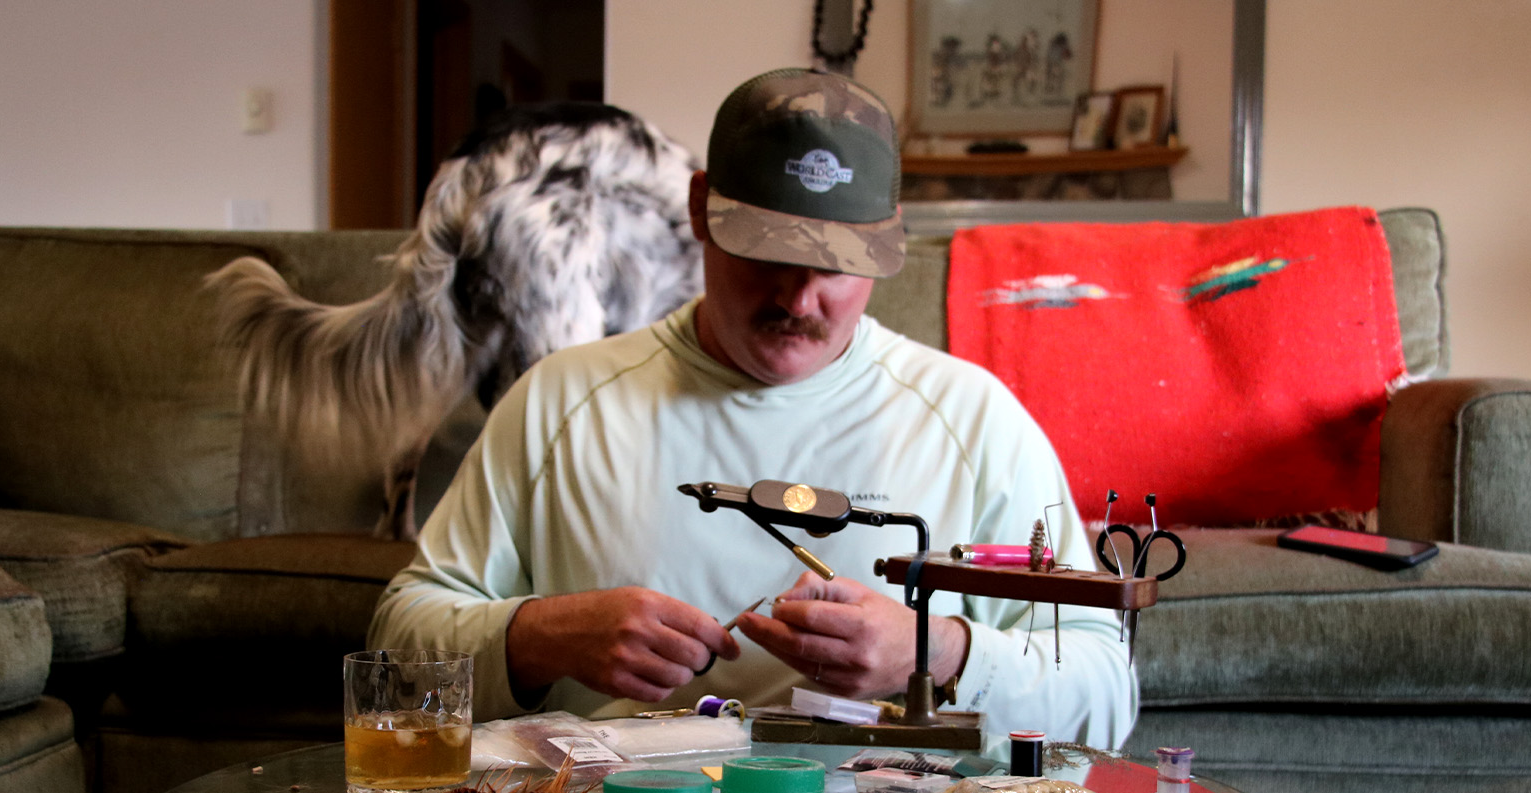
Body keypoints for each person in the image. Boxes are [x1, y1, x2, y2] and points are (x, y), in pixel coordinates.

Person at [370, 68, 1136, 748]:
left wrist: (937, 654)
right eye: (769, 251)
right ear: (701, 208)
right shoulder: (560, 402)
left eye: (836, 264)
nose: (799, 298)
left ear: (889, 242)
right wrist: (537, 637)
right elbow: (396, 650)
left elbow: (1106, 696)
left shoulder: (974, 420)